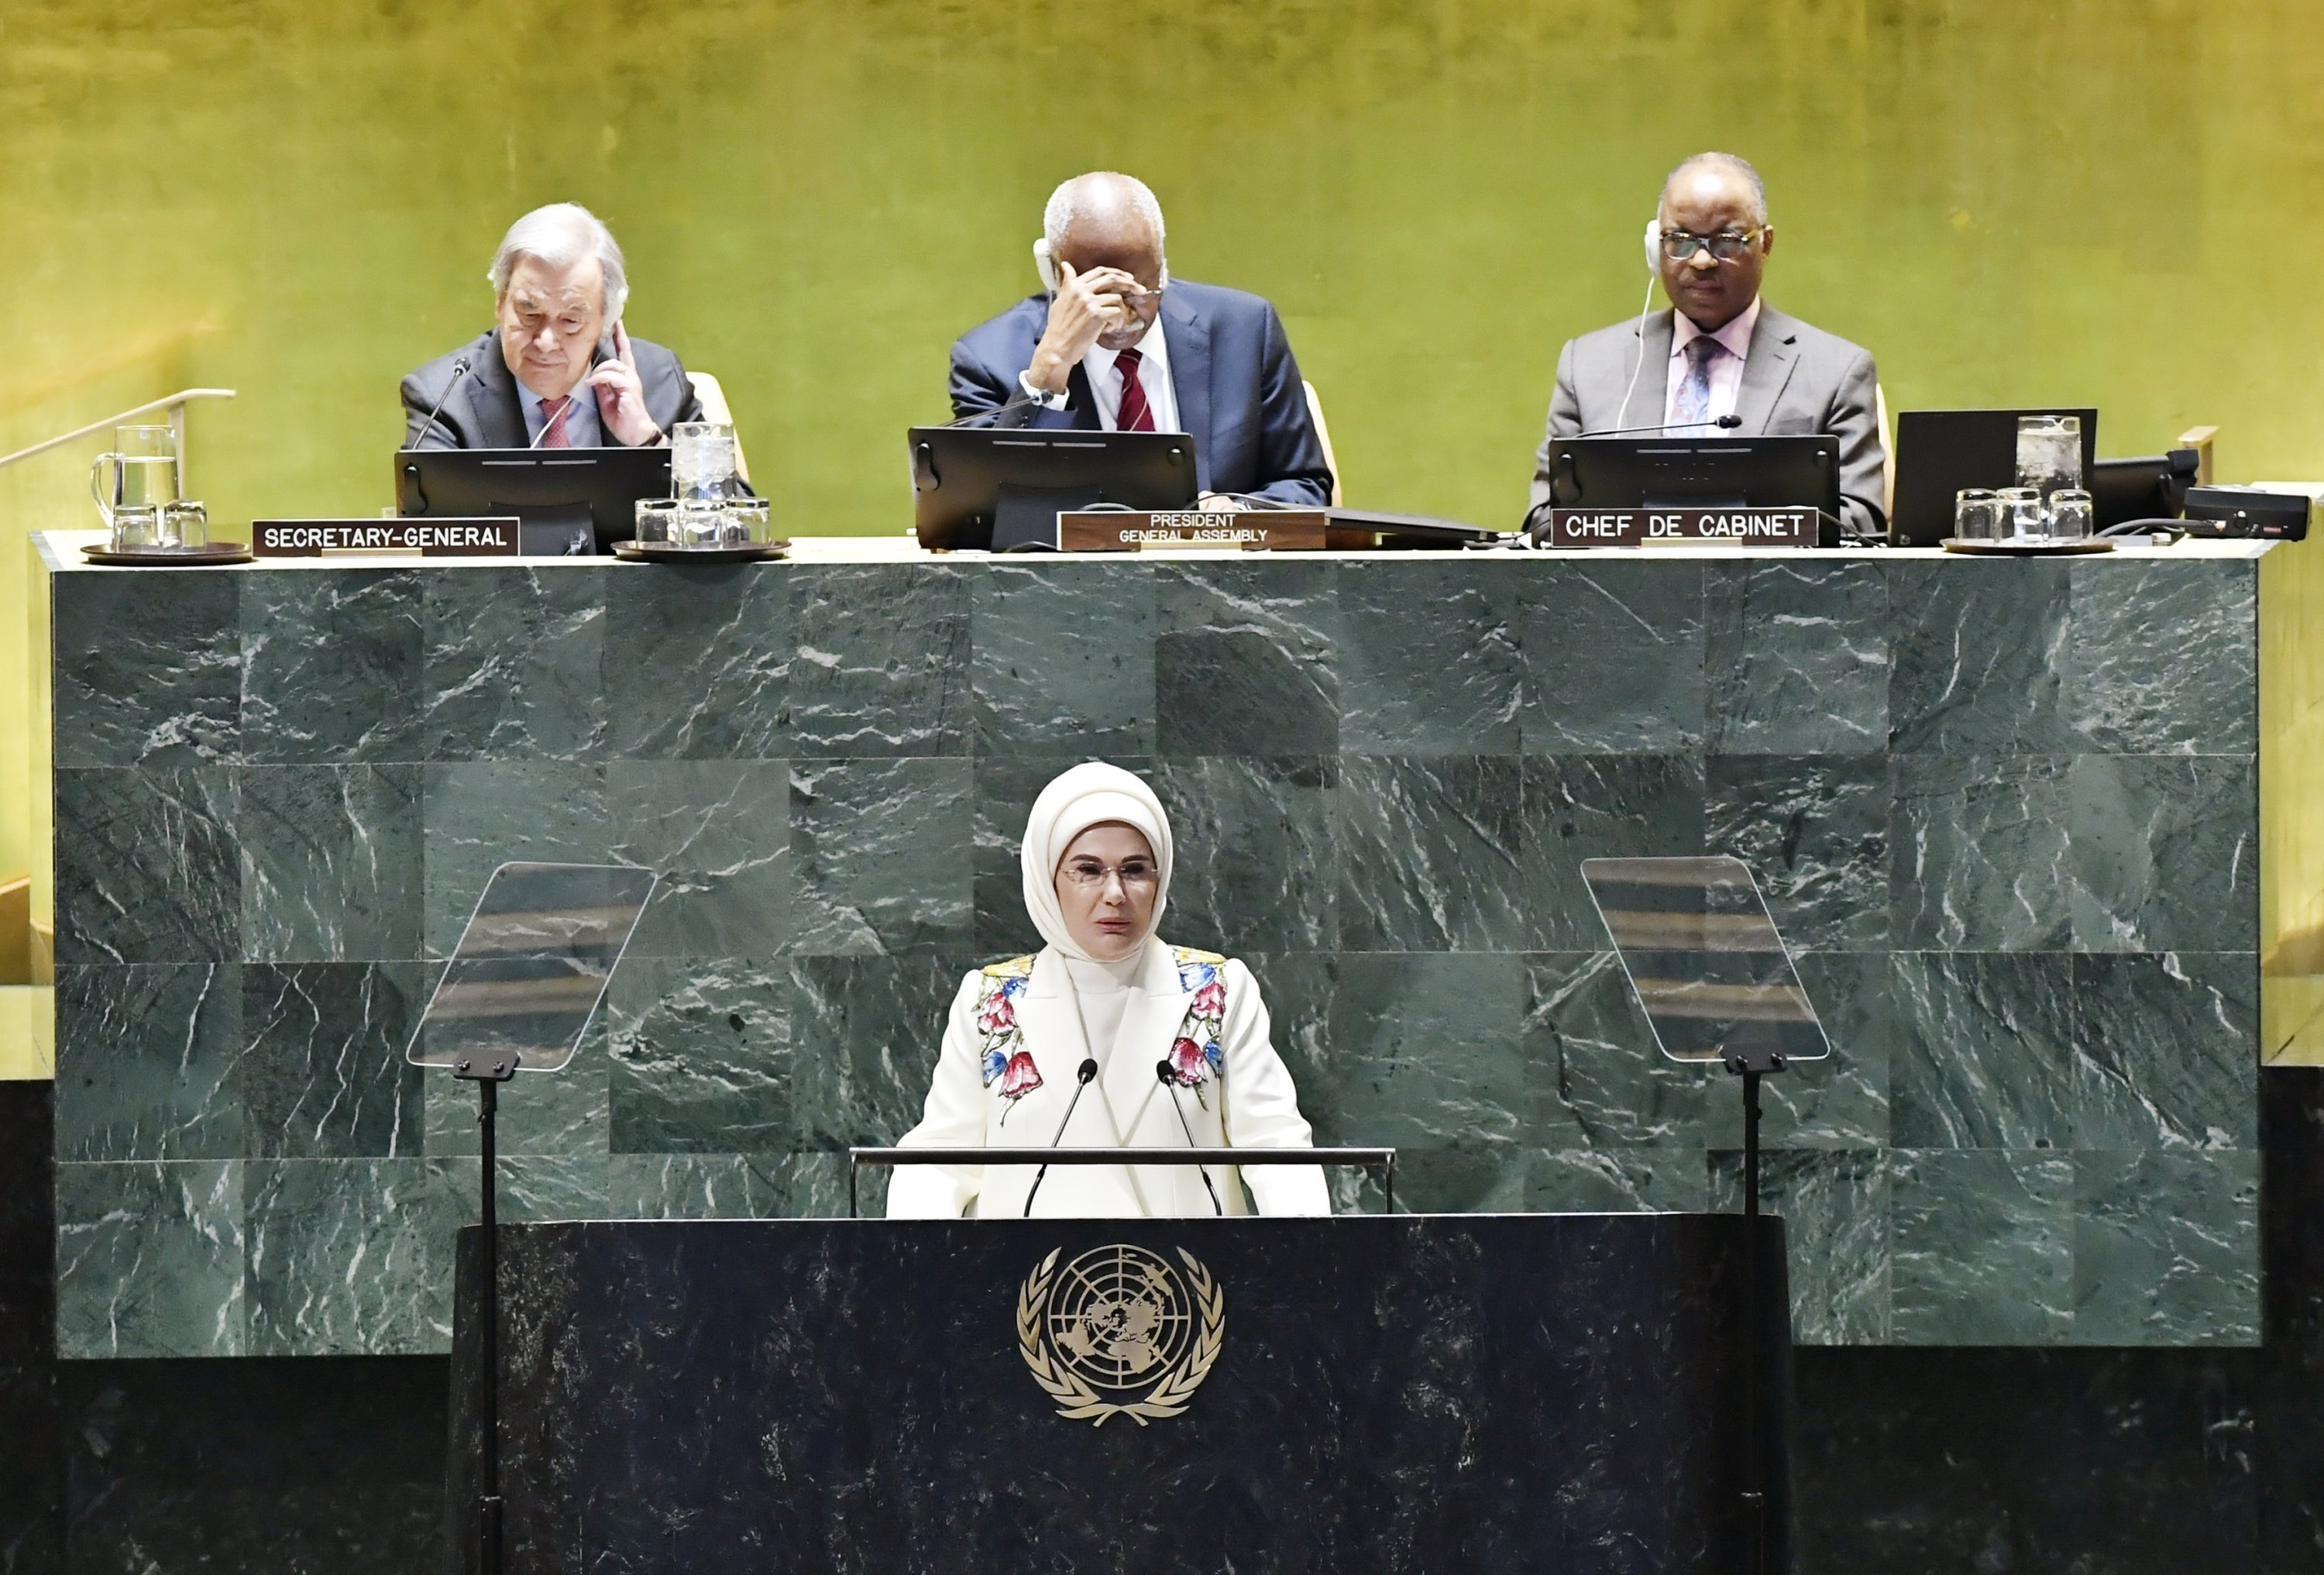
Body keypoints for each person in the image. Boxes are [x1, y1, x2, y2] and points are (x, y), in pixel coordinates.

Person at [887, 762, 1329, 1219]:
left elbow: (1278, 1151)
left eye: (1135, 869)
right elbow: (938, 1164)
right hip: (1031, 1286)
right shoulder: (991, 1001)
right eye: (1088, 870)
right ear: (1047, 880)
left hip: (1186, 1284)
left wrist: (1310, 1262)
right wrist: (911, 1268)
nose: (1115, 893)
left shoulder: (1218, 990)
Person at [1525, 153, 1887, 537]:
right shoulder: (1587, 367)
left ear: (1765, 243)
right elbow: (1545, 519)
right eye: (1680, 241)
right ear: (1654, 247)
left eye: (1727, 241)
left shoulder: (1837, 371)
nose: (1701, 261)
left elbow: (1861, 522)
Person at [947, 171, 1336, 510]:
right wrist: (1048, 373)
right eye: (1101, 296)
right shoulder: (987, 359)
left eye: (1142, 291)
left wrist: (1235, 516)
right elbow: (982, 513)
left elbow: (1306, 486)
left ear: (1162, 264)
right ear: (1053, 274)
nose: (1124, 316)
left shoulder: (1245, 330)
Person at [401, 202, 703, 449]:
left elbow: (732, 514)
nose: (546, 341)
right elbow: (429, 521)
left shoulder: (658, 381)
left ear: (606, 321)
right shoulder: (443, 398)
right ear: (500, 303)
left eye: (571, 321)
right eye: (529, 313)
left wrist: (648, 442)